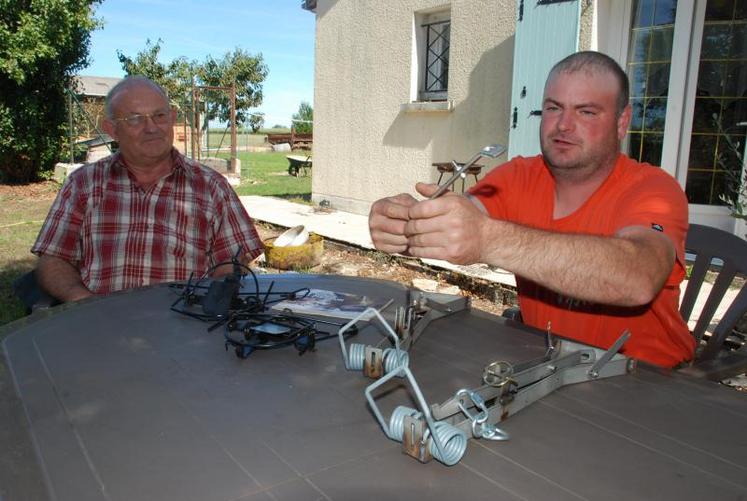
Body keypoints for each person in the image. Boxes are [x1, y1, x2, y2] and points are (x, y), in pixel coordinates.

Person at [369, 51, 695, 369]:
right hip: (550, 370)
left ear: (622, 122)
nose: (564, 125)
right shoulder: (518, 177)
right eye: (554, 108)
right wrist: (406, 222)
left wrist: (487, 239)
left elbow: (638, 278)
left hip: (647, 383)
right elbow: (460, 217)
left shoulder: (654, 189)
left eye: (586, 112)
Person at [32, 76, 263, 302]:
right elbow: (53, 259)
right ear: (111, 129)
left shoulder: (211, 187)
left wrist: (207, 306)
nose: (151, 128)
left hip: (184, 328)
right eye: (135, 119)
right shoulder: (83, 184)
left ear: (172, 118)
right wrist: (84, 302)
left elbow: (234, 261)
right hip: (99, 324)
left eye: (160, 116)